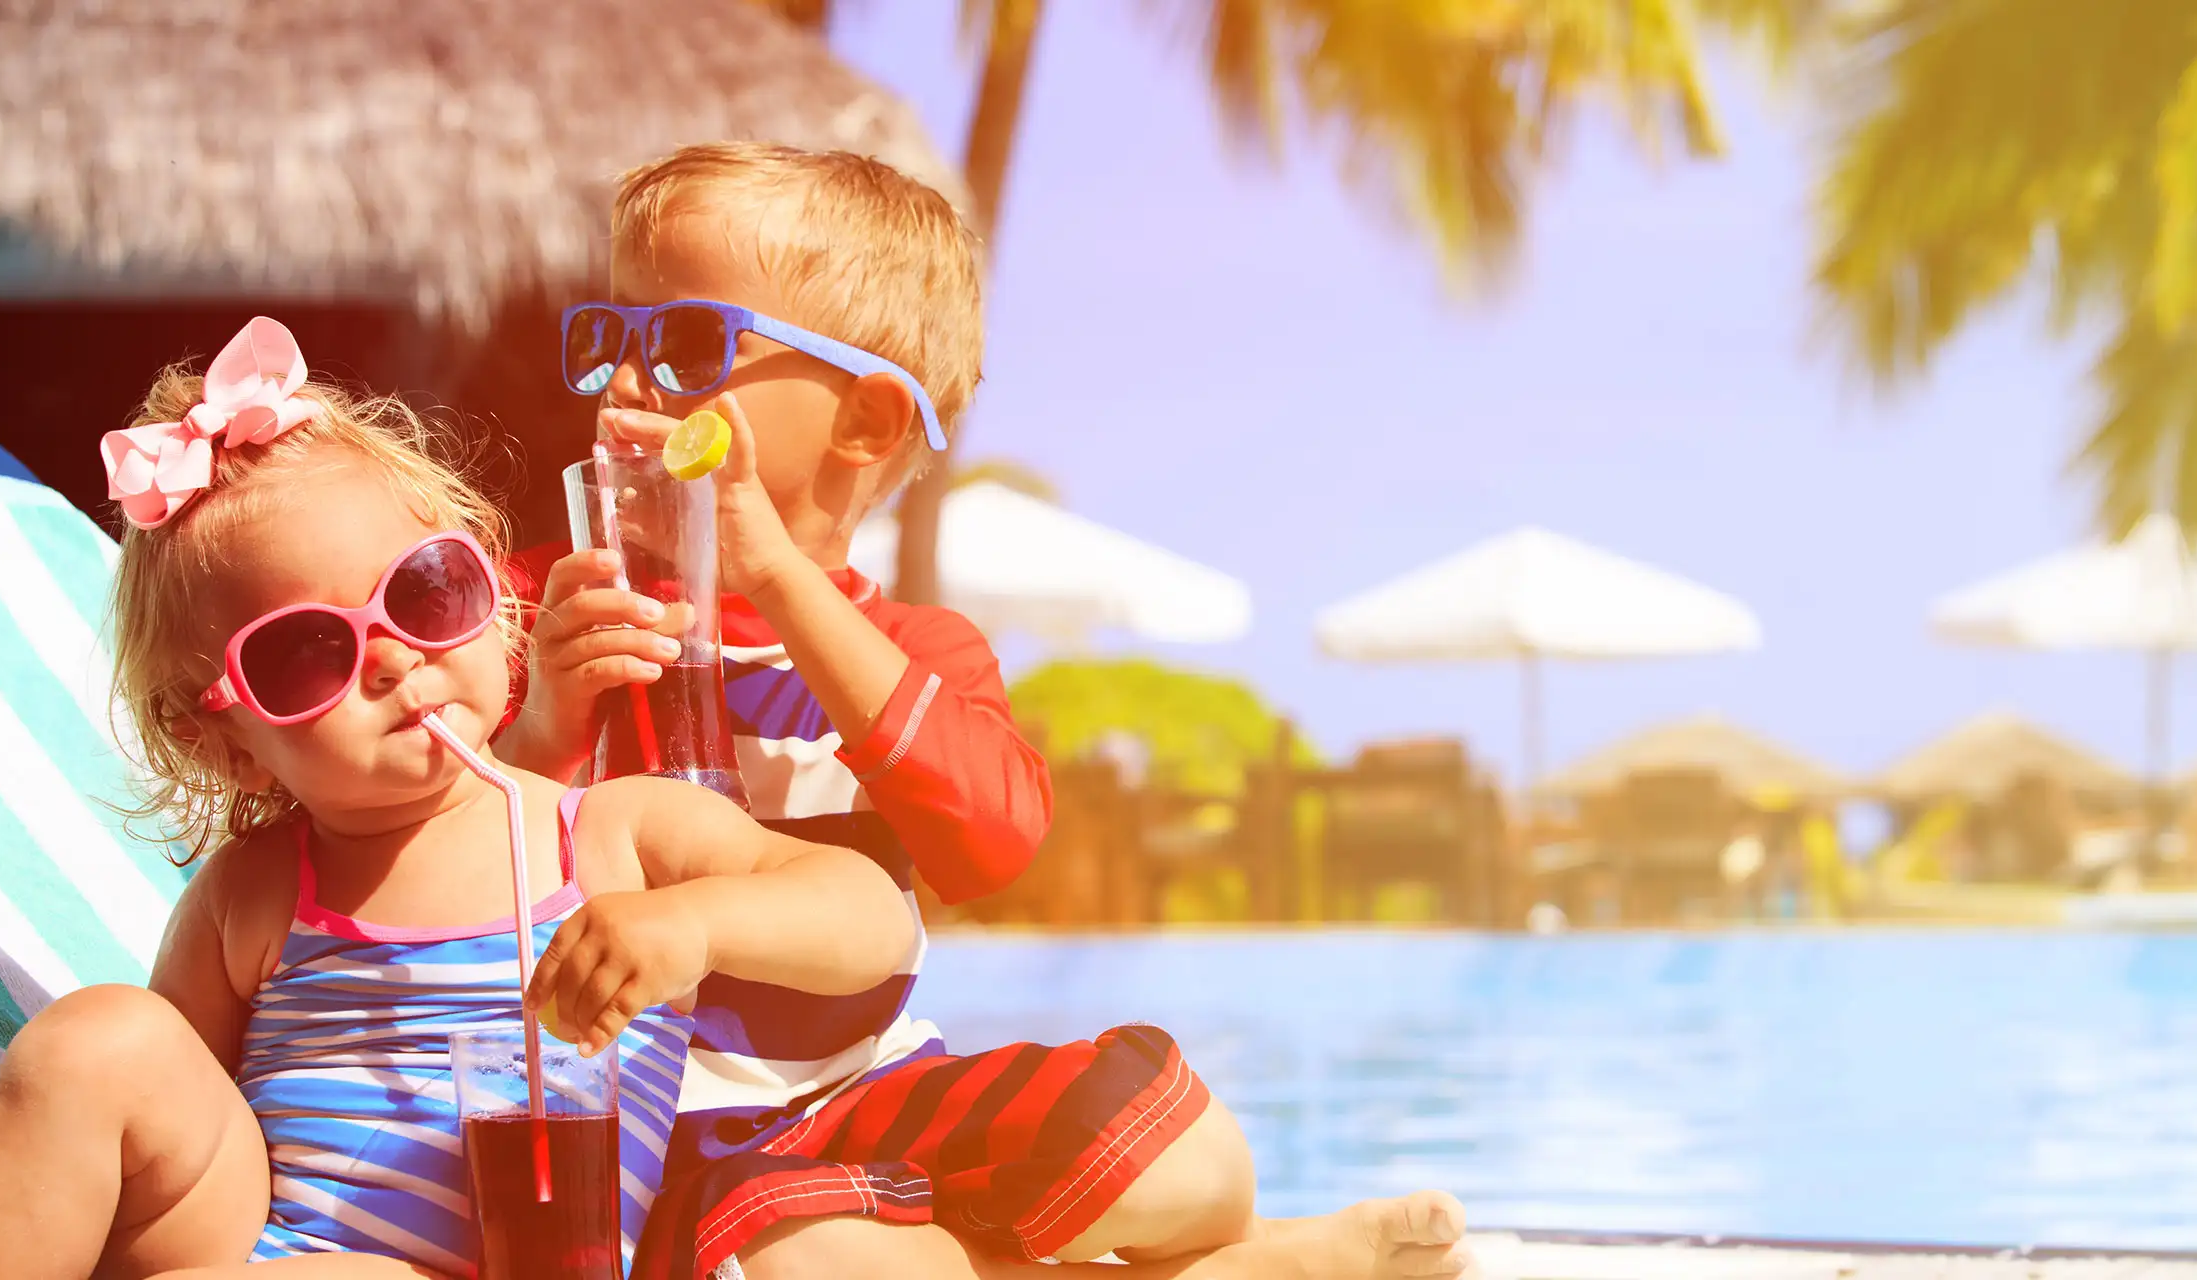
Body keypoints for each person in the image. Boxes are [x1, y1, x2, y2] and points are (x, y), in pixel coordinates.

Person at [498, 143, 1473, 1280]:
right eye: (612, 341)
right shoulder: (540, 613)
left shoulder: (913, 652)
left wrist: (772, 575)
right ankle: (1260, 1268)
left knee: (1197, 1160)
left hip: (867, 1101)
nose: (625, 388)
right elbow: (444, 869)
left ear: (864, 420)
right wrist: (545, 724)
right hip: (660, 1154)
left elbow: (991, 840)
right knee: (807, 1263)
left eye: (685, 348)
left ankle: (1238, 1242)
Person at [0, 317, 917, 1278]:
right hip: (262, 1240)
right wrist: (11, 1203)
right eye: (306, 652)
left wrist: (693, 921)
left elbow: (875, 919)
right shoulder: (257, 892)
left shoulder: (611, 832)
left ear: (485, 592)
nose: (391, 659)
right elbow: (158, 1118)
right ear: (226, 739)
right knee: (100, 1036)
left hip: (512, 1260)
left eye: (425, 592)